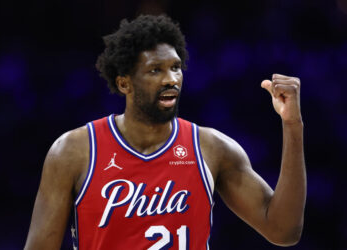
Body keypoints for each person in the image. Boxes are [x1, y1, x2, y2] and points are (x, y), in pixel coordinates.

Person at [24, 14, 306, 250]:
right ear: (124, 83)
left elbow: (283, 231)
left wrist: (292, 126)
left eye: (175, 67)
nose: (171, 78)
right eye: (155, 70)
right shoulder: (74, 151)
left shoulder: (211, 148)